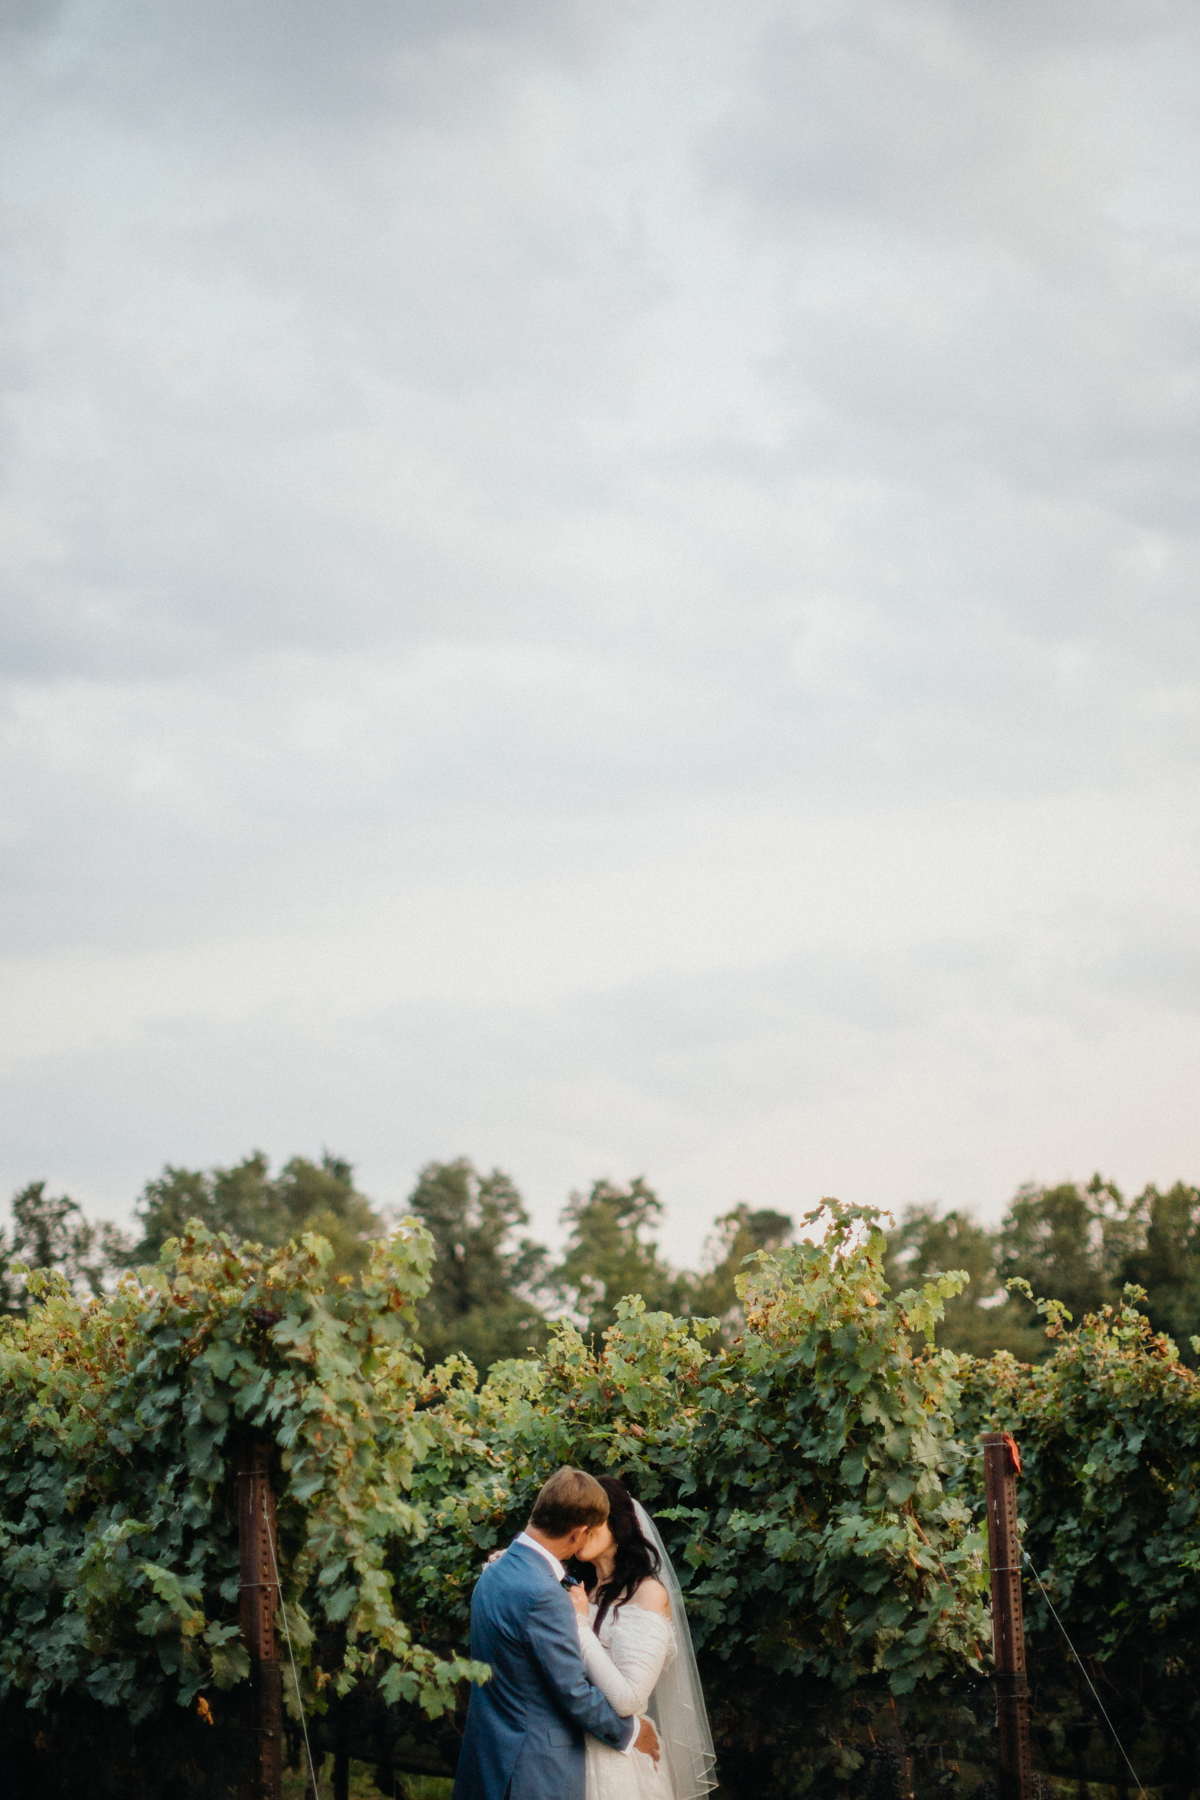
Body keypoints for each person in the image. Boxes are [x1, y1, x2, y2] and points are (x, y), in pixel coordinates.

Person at [453, 1468, 661, 1800]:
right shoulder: (543, 1593)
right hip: (534, 1772)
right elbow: (573, 1691)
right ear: (579, 1532)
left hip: (489, 1759)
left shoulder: (493, 1572)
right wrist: (632, 1731)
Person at [567, 1477, 716, 1800]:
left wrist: (579, 1625)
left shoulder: (648, 1595)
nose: (578, 1528)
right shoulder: (580, 1589)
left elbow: (629, 1698)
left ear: (617, 1521)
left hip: (619, 1764)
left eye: (590, 1519)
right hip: (571, 1752)